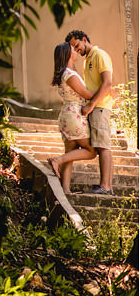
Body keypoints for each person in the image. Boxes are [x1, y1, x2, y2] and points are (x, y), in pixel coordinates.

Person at [66, 29, 116, 195]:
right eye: (73, 47)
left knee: (103, 146)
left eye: (77, 45)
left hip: (100, 107)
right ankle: (105, 185)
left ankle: (106, 187)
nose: (76, 49)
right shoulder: (87, 60)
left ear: (85, 39)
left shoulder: (99, 55)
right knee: (100, 146)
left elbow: (107, 83)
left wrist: (92, 104)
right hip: (95, 108)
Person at [46, 42, 96, 194]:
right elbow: (87, 95)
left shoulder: (65, 73)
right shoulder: (69, 75)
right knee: (92, 151)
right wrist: (105, 90)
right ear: (68, 55)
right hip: (74, 114)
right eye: (73, 50)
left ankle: (66, 191)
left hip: (68, 115)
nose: (76, 51)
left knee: (70, 154)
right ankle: (57, 160)